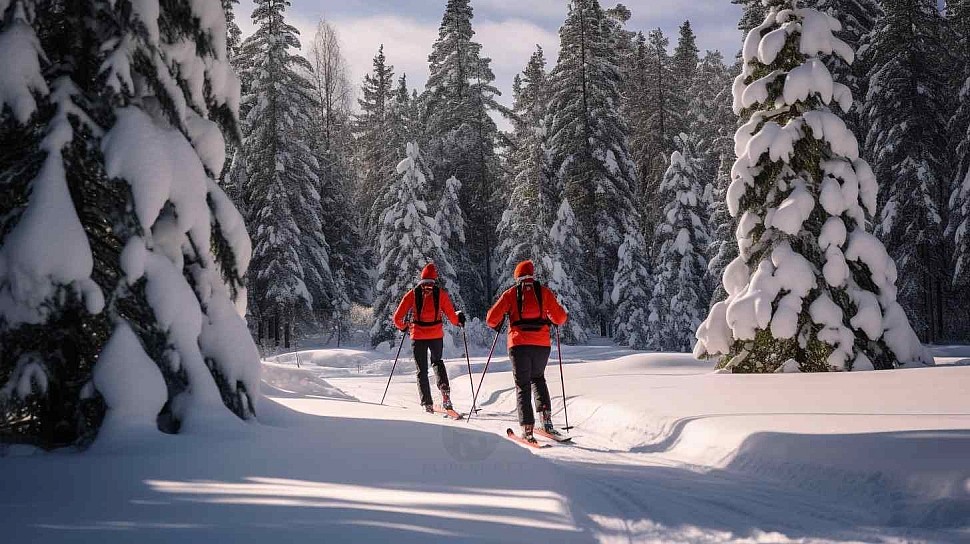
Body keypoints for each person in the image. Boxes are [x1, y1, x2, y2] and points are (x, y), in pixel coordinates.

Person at [486, 260, 568, 443]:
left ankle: (527, 428)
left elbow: (491, 319)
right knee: (538, 379)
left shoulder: (510, 294)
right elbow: (561, 318)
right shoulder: (544, 292)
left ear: (517, 277)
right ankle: (546, 421)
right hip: (541, 345)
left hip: (518, 344)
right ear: (532, 275)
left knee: (522, 385)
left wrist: (502, 319)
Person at [393, 263, 466, 413]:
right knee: (437, 362)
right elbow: (452, 317)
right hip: (436, 335)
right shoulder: (441, 294)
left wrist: (404, 327)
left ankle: (427, 402)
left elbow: (396, 318)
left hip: (418, 336)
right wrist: (459, 320)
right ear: (435, 278)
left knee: (422, 370)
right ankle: (444, 391)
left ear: (422, 277)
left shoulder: (413, 294)